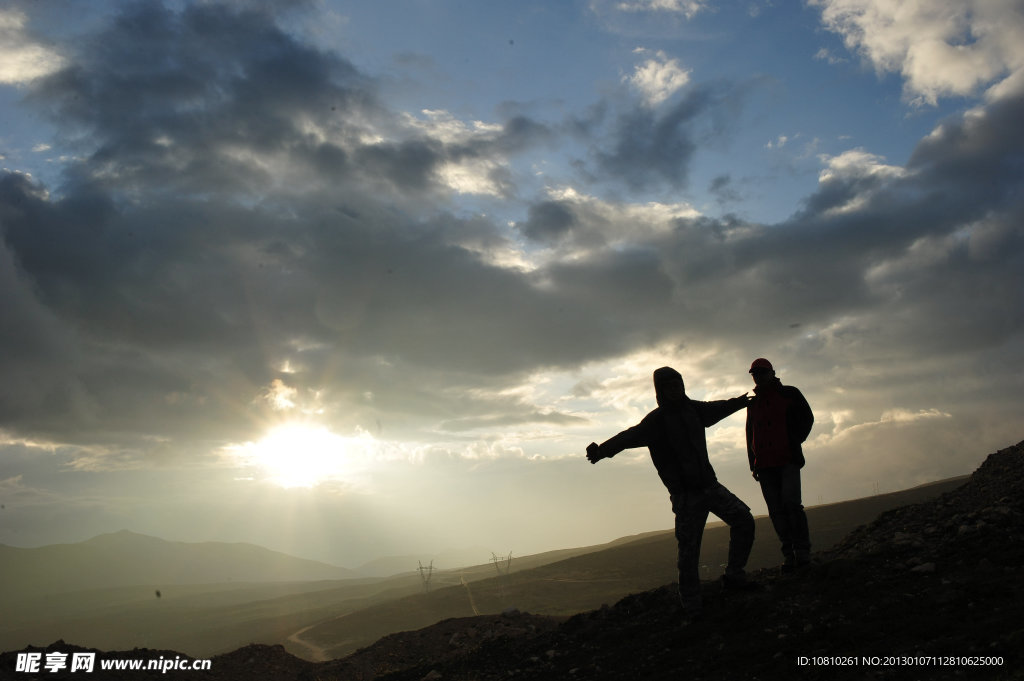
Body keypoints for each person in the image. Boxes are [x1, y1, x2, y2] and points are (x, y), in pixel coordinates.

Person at [586, 366, 755, 619]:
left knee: (743, 520)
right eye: (670, 386)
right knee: (689, 551)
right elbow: (627, 437)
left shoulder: (694, 409)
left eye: (678, 385)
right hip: (686, 497)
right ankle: (692, 604)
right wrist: (601, 451)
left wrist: (740, 402)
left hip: (709, 486)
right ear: (660, 391)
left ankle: (734, 575)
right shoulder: (656, 422)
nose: (676, 389)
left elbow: (718, 408)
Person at [745, 358, 814, 570]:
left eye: (762, 372)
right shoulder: (753, 403)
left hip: (787, 460)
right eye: (755, 374)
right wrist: (753, 462)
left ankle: (801, 552)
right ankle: (790, 554)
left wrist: (794, 441)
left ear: (772, 373)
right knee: (776, 511)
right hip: (764, 464)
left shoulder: (789, 394)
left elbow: (807, 418)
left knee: (792, 505)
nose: (758, 376)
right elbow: (750, 434)